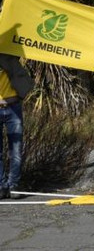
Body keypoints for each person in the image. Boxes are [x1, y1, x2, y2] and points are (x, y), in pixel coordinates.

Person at [0, 53, 34, 200]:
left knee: (16, 150)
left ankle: (13, 185)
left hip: (13, 107)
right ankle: (1, 186)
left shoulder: (9, 54)